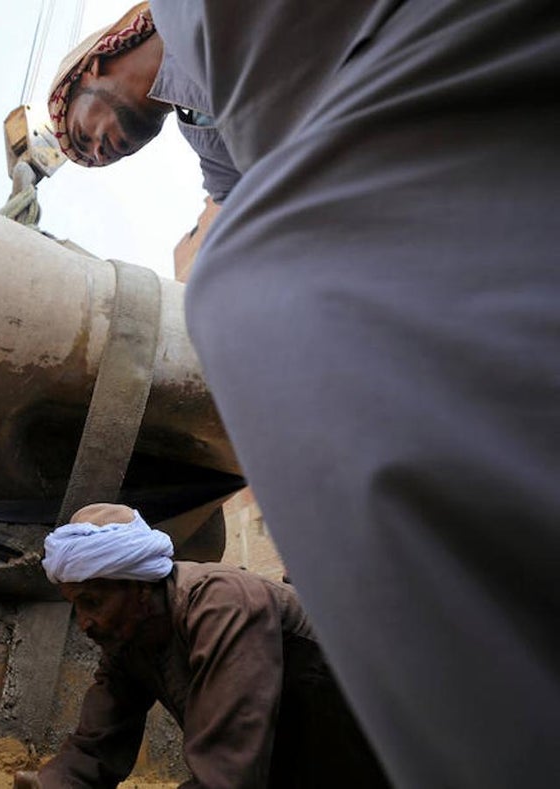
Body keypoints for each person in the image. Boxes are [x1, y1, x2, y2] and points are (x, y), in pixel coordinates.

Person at [51, 3, 560, 786]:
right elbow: (97, 746)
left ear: (93, 62)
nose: (95, 149)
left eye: (80, 131)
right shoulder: (200, 122)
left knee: (236, 292)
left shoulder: (198, 19)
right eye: (88, 157)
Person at [13, 504, 389, 789]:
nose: (83, 623)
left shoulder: (223, 604)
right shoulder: (130, 638)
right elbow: (95, 746)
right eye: (76, 605)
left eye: (92, 601)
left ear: (140, 587)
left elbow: (226, 771)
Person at [46, 2, 239, 204]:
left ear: (92, 70)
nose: (100, 156)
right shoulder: (218, 164)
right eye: (96, 160)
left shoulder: (186, 8)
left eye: (83, 135)